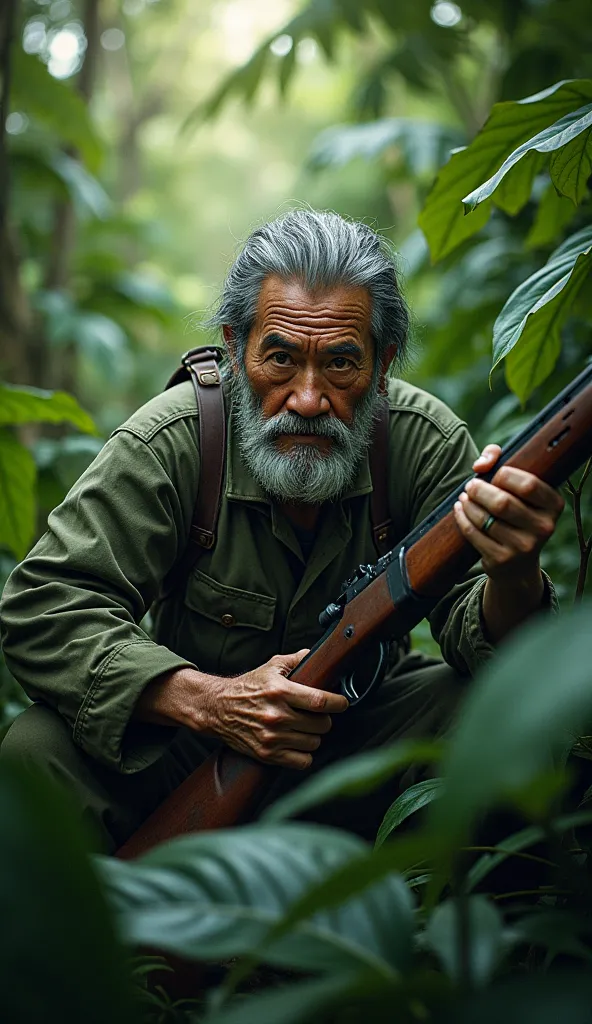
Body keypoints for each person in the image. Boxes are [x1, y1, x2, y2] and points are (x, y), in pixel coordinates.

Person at [0, 210, 564, 852]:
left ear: (382, 368)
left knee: (503, 718)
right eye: (280, 359)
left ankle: (472, 939)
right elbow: (45, 605)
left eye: (342, 365)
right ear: (236, 351)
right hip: (190, 745)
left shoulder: (422, 444)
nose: (307, 398)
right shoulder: (173, 442)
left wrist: (514, 574)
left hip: (360, 745)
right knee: (36, 752)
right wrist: (210, 701)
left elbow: (490, 643)